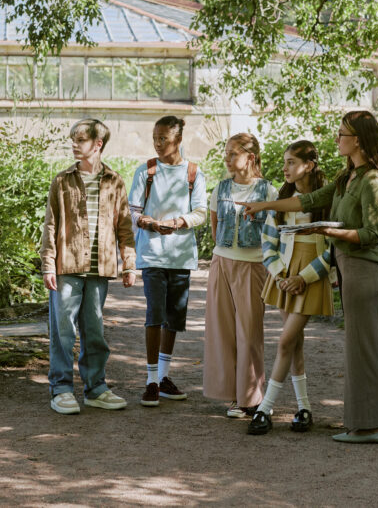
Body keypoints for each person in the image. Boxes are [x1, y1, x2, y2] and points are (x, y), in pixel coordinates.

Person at [241, 111, 378, 443]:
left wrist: (326, 231)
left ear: (357, 140)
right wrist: (265, 206)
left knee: (362, 350)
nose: (337, 139)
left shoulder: (372, 180)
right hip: (350, 267)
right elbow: (309, 200)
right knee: (375, 344)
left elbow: (371, 234)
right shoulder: (348, 178)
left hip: (362, 268)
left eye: (342, 134)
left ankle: (370, 427)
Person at [40, 118, 136, 415]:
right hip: (67, 266)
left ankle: (95, 388)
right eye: (72, 139)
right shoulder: (62, 181)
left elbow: (124, 226)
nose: (74, 144)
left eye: (80, 140)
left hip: (99, 269)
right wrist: (48, 265)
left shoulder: (115, 181)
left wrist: (129, 263)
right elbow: (50, 224)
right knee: (63, 332)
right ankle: (61, 389)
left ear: (98, 144)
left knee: (94, 331)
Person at [247, 140, 336, 435]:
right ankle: (304, 408)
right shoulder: (281, 200)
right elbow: (268, 242)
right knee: (295, 343)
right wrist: (281, 275)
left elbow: (333, 249)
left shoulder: (326, 200)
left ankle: (264, 409)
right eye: (284, 162)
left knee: (285, 341)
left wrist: (304, 277)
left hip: (310, 279)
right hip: (285, 277)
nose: (285, 168)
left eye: (291, 162)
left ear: (309, 166)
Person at [128, 116, 208, 406]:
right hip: (152, 254)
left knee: (173, 318)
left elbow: (200, 212)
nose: (158, 143)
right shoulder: (146, 171)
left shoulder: (194, 173)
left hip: (181, 256)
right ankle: (150, 380)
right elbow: (133, 210)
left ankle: (163, 377)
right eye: (155, 138)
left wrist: (176, 222)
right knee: (155, 314)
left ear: (178, 140)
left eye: (163, 138)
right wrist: (147, 223)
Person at [203, 133, 279, 418]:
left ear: (250, 157)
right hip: (222, 264)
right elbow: (215, 230)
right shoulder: (220, 189)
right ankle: (232, 396)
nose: (227, 158)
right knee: (222, 331)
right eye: (227, 153)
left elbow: (274, 233)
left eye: (233, 153)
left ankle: (251, 397)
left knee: (249, 332)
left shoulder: (269, 192)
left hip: (253, 266)